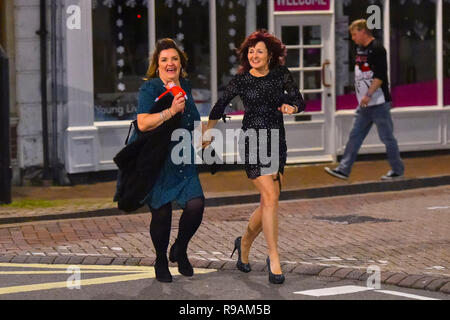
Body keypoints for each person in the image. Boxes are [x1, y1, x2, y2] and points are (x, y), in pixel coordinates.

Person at [203, 30, 305, 284]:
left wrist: (291, 107)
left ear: (270, 55)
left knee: (268, 201)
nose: (254, 55)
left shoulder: (281, 75)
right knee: (270, 197)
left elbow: (299, 101)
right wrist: (207, 133)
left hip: (276, 143)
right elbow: (219, 105)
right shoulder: (242, 80)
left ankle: (244, 242)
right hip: (251, 142)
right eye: (250, 51)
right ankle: (274, 258)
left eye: (259, 51)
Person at [135, 38, 205, 283]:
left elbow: (193, 119)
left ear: (181, 63)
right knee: (162, 215)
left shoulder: (184, 85)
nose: (170, 63)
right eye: (164, 59)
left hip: (183, 158)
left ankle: (181, 248)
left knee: (196, 206)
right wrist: (170, 112)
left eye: (174, 58)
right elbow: (143, 122)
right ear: (157, 65)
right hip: (157, 160)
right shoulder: (150, 89)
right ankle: (160, 259)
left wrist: (204, 135)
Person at [325, 19, 404, 181]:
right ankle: (344, 169)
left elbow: (380, 75)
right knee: (355, 136)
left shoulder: (377, 49)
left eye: (354, 34)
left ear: (363, 31)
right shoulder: (360, 49)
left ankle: (397, 170)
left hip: (379, 103)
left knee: (387, 137)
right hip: (365, 105)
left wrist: (368, 94)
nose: (353, 38)